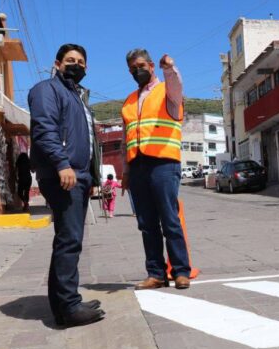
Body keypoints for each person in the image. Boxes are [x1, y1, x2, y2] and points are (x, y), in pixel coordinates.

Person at [29, 44, 104, 327]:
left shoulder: (77, 97)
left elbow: (87, 141)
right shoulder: (47, 90)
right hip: (63, 174)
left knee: (68, 239)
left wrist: (93, 179)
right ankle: (68, 308)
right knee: (69, 240)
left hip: (78, 176)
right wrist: (62, 164)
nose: (77, 65)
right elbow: (44, 129)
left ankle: (64, 303)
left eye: (81, 61)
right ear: (58, 64)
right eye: (70, 60)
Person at [120, 48, 191, 290]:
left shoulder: (168, 91)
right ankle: (156, 273)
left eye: (141, 66)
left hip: (163, 163)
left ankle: (180, 271)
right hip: (138, 165)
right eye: (132, 69)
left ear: (151, 66)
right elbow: (125, 139)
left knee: (169, 219)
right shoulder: (129, 102)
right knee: (146, 223)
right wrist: (126, 172)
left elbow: (176, 84)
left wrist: (169, 68)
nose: (137, 71)